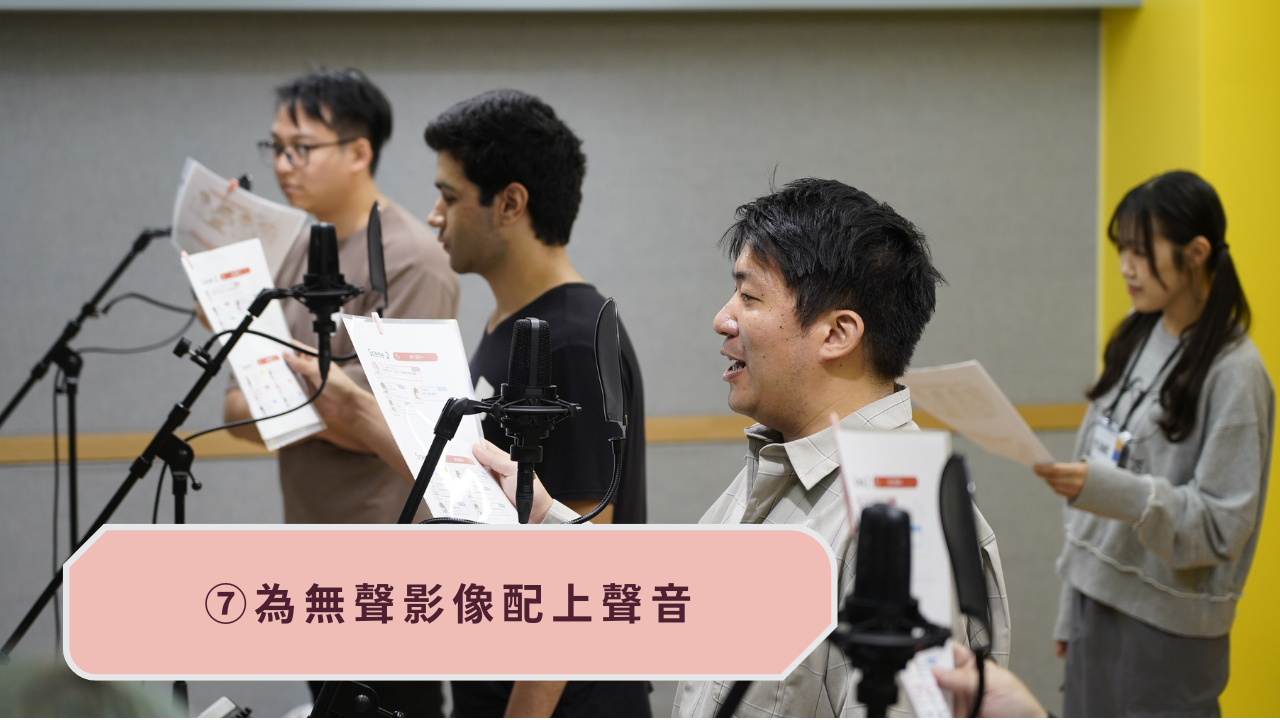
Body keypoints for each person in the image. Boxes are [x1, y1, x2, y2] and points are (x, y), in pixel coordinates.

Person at [477, 178, 1012, 717]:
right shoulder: (779, 461)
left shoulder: (907, 523)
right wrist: (547, 515)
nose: (722, 320)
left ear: (837, 334)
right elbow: (679, 605)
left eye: (750, 297)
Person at [288, 88, 651, 718]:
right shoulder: (508, 326)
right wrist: (353, 411)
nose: (434, 216)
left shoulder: (570, 339)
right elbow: (473, 488)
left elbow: (581, 566)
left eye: (449, 197)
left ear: (510, 204)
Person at [225, 68, 459, 717]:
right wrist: (325, 404)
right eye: (275, 147)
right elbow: (234, 412)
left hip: (389, 563)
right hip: (311, 551)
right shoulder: (293, 255)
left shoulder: (410, 258)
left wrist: (305, 401)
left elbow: (399, 427)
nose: (283, 165)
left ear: (359, 152)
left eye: (301, 148)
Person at [1033, 170, 1272, 717]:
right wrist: (1073, 603)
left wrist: (1118, 492)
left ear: (1197, 253)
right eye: (1123, 249)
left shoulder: (1235, 373)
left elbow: (1220, 527)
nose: (1126, 267)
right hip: (1093, 600)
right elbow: (1098, 456)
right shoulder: (1139, 330)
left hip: (1168, 625)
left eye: (1141, 252)